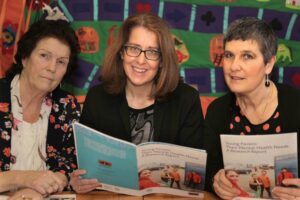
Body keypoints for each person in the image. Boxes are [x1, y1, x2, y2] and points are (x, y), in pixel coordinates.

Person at [70, 12, 204, 193]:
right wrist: (79, 180)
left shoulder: (186, 100)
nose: (141, 60)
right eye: (134, 48)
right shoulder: (97, 98)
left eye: (152, 52)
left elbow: (194, 176)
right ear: (121, 53)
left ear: (163, 60)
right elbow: (84, 165)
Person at [203, 16, 300, 200]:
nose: (234, 66)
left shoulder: (296, 105)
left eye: (247, 56)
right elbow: (208, 171)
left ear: (269, 64)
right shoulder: (217, 110)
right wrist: (216, 181)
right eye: (229, 55)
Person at [0, 19, 81, 198]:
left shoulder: (67, 106)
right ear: (25, 58)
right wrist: (25, 179)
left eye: (61, 62)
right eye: (44, 56)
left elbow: (70, 164)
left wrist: (57, 180)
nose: (52, 68)